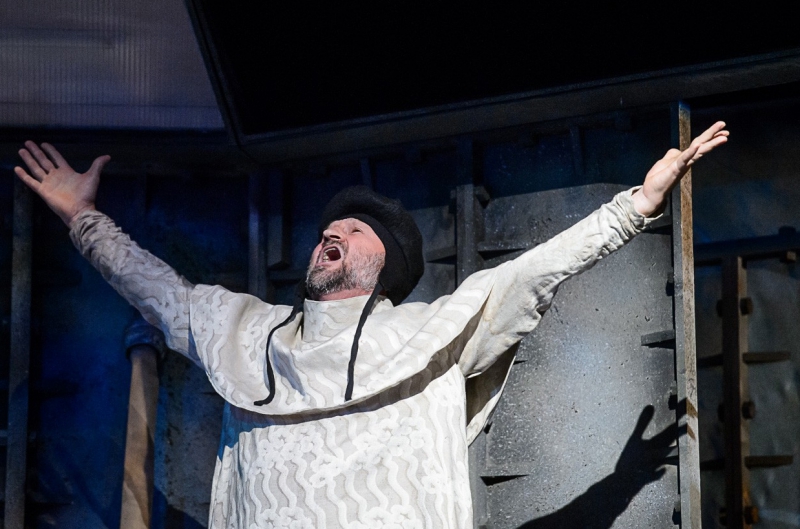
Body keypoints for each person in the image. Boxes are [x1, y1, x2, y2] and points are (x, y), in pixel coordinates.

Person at [14, 122, 728, 528]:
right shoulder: (249, 333)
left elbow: (535, 271)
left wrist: (636, 206)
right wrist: (83, 219)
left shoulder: (431, 333)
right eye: (331, 226)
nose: (334, 231)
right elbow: (160, 292)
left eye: (355, 230)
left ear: (384, 263)